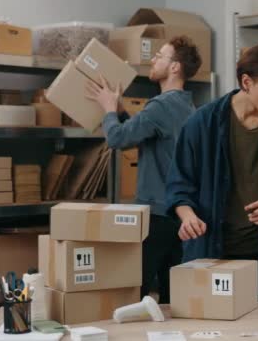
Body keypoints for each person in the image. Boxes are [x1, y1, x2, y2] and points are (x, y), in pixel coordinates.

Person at [165, 43, 258, 302]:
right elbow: (179, 186)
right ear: (246, 82)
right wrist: (187, 216)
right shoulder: (200, 125)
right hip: (210, 255)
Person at [85, 36, 202, 304]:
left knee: (133, 293)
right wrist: (121, 112)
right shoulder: (186, 106)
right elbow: (142, 134)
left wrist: (107, 110)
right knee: (172, 298)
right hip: (177, 215)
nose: (153, 59)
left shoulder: (160, 106)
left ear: (174, 67)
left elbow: (117, 139)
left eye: (160, 55)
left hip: (157, 216)